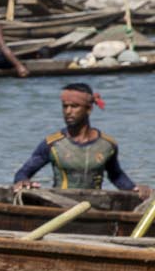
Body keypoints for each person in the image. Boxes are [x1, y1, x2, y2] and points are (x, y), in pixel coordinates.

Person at [14, 83, 151, 196]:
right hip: (59, 205)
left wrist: (135, 189)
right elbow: (23, 172)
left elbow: (115, 175)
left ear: (89, 109)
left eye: (74, 106)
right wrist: (23, 181)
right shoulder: (53, 144)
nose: (68, 111)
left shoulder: (107, 145)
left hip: (95, 206)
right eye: (65, 106)